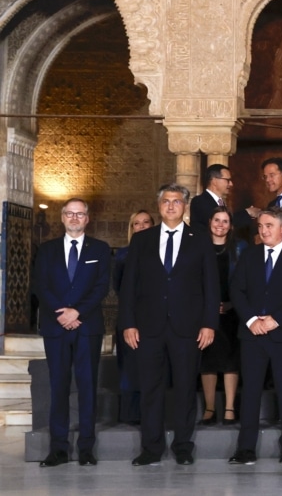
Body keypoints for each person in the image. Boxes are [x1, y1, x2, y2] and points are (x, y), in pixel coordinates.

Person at [119, 184, 219, 467]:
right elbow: (129, 287)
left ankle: (183, 447)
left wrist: (209, 323)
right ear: (159, 205)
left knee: (186, 388)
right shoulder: (143, 240)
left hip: (188, 328)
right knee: (150, 389)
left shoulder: (199, 239)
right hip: (148, 327)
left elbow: (210, 285)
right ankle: (151, 448)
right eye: (166, 201)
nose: (171, 206)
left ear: (185, 205)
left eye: (177, 201)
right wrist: (128, 323)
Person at [228, 207, 282, 465]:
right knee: (251, 392)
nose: (263, 230)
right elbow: (237, 290)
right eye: (261, 226)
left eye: (269, 225)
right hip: (252, 335)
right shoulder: (250, 255)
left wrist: (276, 319)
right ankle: (246, 449)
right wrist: (252, 320)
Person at [34, 198, 111, 467]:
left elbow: (101, 286)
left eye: (80, 214)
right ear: (63, 217)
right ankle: (58, 449)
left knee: (88, 387)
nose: (75, 218)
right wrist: (62, 313)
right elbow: (40, 286)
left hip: (87, 327)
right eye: (70, 213)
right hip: (56, 328)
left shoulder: (100, 249)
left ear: (87, 219)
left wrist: (77, 311)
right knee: (58, 387)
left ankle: (86, 449)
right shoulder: (46, 250)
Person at [199, 207, 247, 427]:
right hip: (204, 313)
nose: (220, 224)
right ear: (210, 222)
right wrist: (207, 306)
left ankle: (229, 408)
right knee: (207, 360)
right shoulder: (198, 247)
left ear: (231, 225)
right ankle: (209, 409)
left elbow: (246, 281)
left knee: (230, 360)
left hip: (233, 312)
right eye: (216, 220)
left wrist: (230, 304)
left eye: (225, 221)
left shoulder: (240, 247)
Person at [112, 210, 153, 426]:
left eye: (146, 222)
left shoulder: (161, 251)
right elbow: (119, 287)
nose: (142, 226)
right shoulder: (122, 255)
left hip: (155, 319)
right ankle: (130, 414)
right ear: (132, 228)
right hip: (130, 318)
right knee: (129, 366)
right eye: (137, 223)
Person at [190, 163, 257, 230]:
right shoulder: (199, 201)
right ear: (214, 181)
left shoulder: (220, 202)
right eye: (227, 180)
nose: (231, 184)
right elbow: (220, 222)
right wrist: (247, 212)